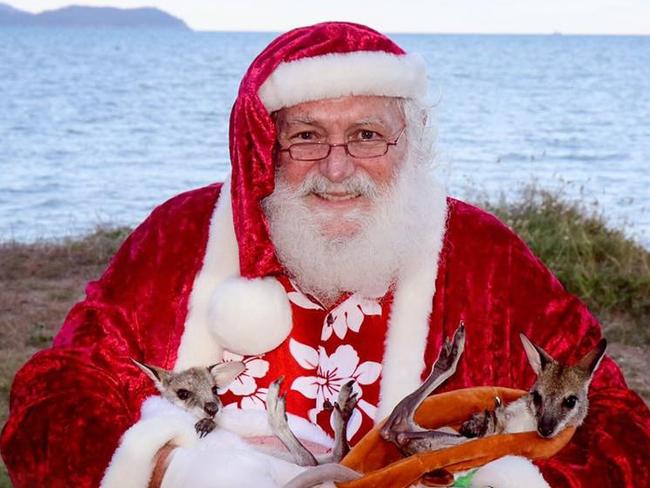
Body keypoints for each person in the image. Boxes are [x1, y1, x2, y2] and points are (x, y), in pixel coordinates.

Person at [1, 22, 649, 488]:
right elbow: (57, 390)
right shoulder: (183, 236)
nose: (337, 168)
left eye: (367, 135)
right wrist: (183, 470)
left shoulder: (485, 256)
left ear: (410, 144)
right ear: (265, 148)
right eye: (306, 138)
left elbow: (616, 423)